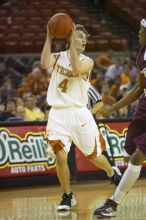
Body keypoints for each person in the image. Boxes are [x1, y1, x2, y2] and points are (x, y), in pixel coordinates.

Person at [41, 24, 121, 212]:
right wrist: (49, 37)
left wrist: (73, 47)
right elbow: (44, 63)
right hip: (58, 113)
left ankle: (111, 171)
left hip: (79, 112)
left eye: (85, 38)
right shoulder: (58, 57)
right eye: (79, 36)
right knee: (60, 155)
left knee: (93, 155)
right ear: (70, 38)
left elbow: (76, 69)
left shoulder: (88, 61)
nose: (84, 40)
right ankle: (67, 195)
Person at [94, 18, 146, 218]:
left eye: (141, 30)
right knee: (130, 150)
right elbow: (139, 88)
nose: (138, 33)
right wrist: (113, 107)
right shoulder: (141, 55)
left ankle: (112, 203)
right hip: (144, 104)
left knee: (137, 156)